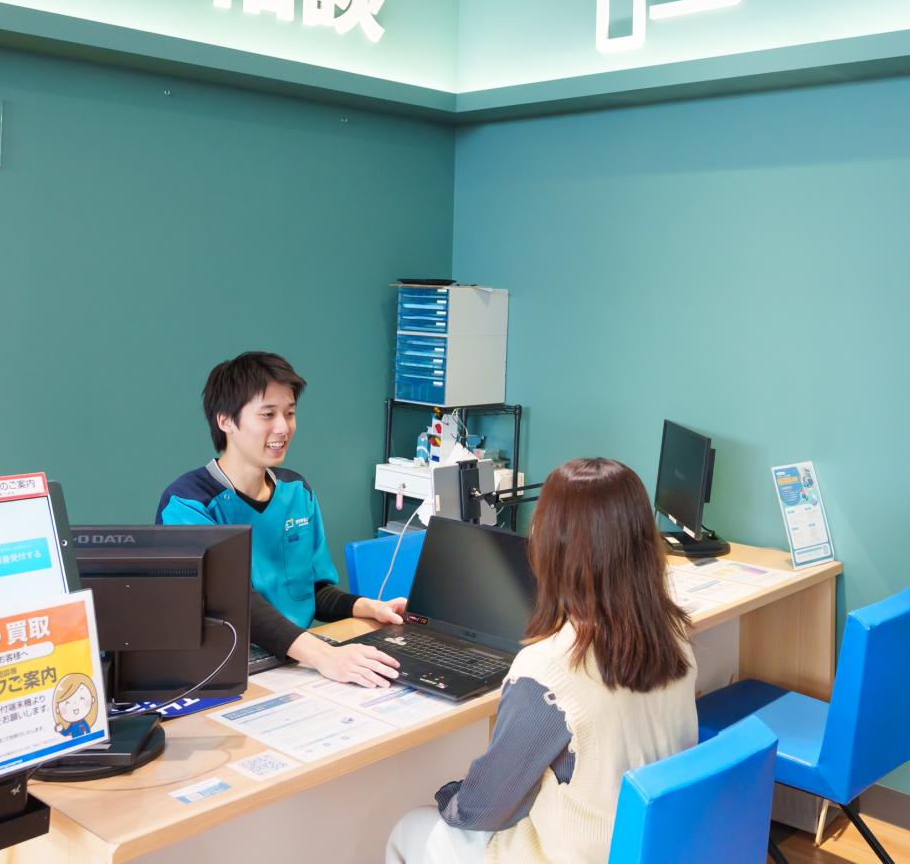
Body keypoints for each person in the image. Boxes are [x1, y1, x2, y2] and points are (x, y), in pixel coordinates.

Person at [386, 457, 698, 864]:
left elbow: (482, 810)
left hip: (575, 855)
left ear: (551, 546)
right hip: (656, 847)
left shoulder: (548, 671)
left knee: (410, 826)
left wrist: (451, 795)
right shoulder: (673, 634)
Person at [155, 351, 405, 687]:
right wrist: (324, 656)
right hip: (225, 671)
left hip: (296, 660)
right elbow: (235, 605)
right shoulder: (186, 504)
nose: (283, 427)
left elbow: (309, 591)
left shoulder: (297, 491)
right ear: (225, 420)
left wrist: (366, 607)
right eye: (267, 414)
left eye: (290, 413)